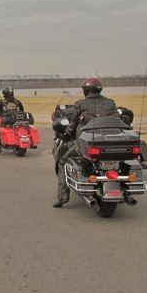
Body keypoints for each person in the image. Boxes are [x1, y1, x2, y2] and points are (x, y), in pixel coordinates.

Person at [53, 78, 118, 208]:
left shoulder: (81, 105)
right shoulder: (110, 103)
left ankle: (63, 197)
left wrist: (66, 133)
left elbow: (73, 124)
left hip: (88, 142)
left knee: (62, 161)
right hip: (110, 140)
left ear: (85, 91)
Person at [0, 86, 25, 155]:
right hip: (17, 119)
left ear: (4, 94)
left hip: (7, 120)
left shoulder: (1, 102)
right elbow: (22, 110)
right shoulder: (17, 101)